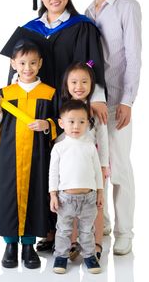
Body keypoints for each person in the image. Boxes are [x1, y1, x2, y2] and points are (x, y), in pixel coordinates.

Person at [0, 0, 108, 251]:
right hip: (41, 111)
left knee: (75, 167)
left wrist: (96, 99)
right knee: (45, 168)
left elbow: (93, 66)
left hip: (73, 111)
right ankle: (49, 231)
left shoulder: (81, 26)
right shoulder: (30, 31)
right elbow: (18, 72)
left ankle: (83, 235)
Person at [85, 0, 142, 255]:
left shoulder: (127, 7)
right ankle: (102, 222)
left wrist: (128, 101)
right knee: (97, 166)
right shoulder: (86, 12)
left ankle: (125, 231)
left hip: (117, 101)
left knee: (119, 167)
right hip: (92, 104)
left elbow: (134, 56)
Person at [0, 38, 58, 269]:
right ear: (13, 64)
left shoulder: (49, 93)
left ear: (40, 64)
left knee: (36, 195)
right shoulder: (4, 93)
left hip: (39, 157)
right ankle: (10, 245)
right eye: (23, 63)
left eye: (33, 63)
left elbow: (60, 122)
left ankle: (28, 245)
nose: (28, 68)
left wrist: (47, 124)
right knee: (9, 197)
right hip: (10, 157)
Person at [58, 61, 109, 262]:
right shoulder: (63, 109)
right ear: (67, 85)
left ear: (91, 84)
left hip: (93, 167)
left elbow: (103, 140)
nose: (79, 86)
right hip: (70, 168)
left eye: (84, 82)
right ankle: (72, 244)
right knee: (69, 206)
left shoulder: (95, 111)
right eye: (74, 82)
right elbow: (60, 139)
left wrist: (104, 165)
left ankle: (96, 244)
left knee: (96, 205)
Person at [49, 99, 104, 274]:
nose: (76, 126)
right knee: (64, 230)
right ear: (61, 123)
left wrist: (100, 193)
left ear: (88, 123)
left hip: (89, 198)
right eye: (71, 121)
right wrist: (53, 195)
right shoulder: (59, 147)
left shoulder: (90, 147)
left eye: (81, 121)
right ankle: (61, 256)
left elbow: (97, 172)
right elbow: (53, 174)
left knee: (87, 230)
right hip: (65, 199)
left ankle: (89, 256)